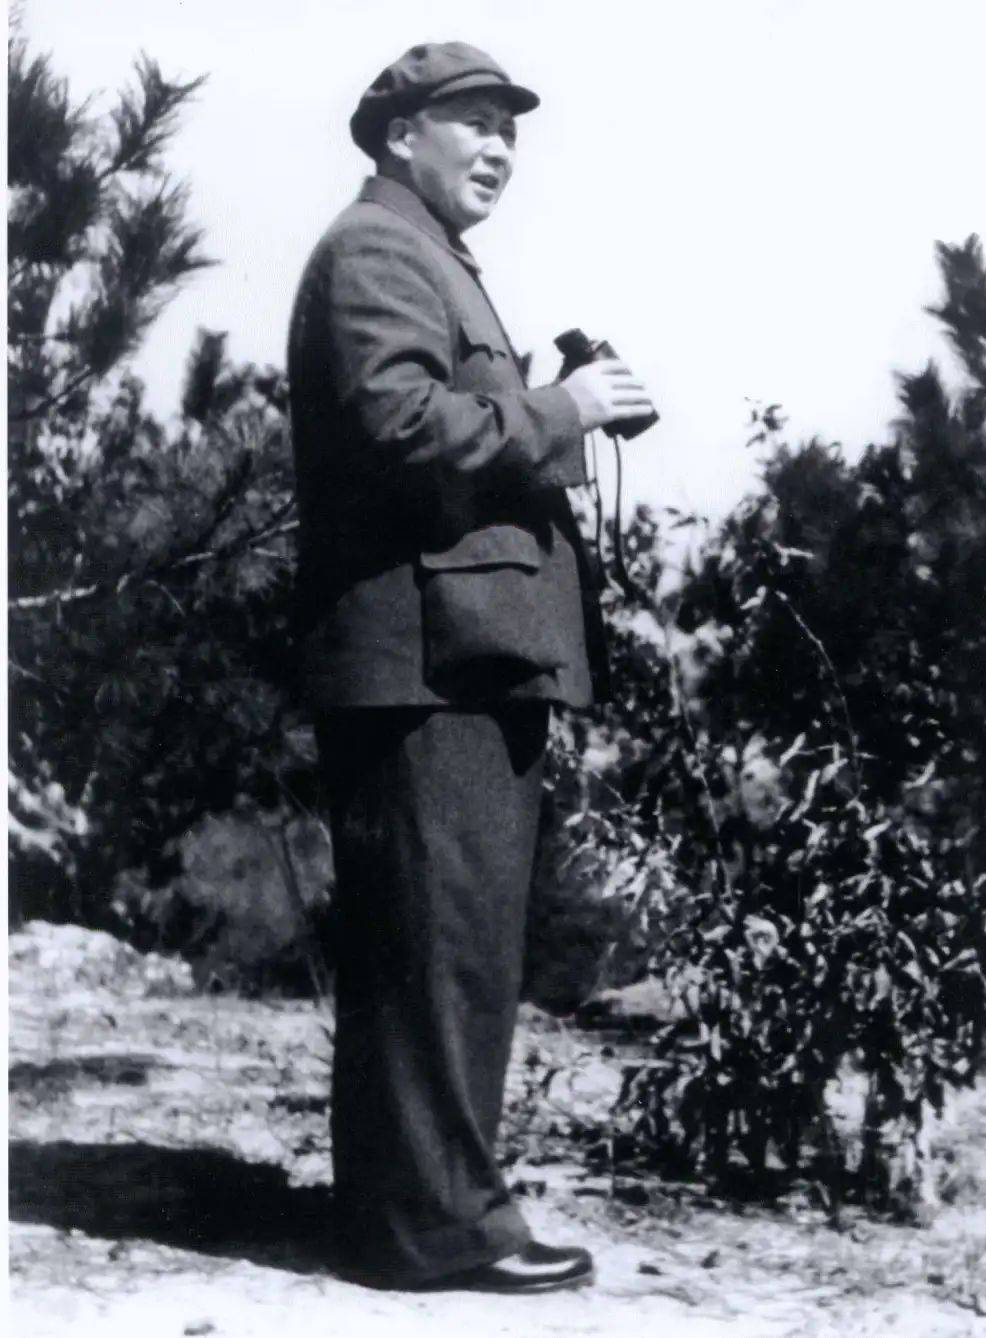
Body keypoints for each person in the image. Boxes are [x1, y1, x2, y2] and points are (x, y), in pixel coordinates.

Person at [286, 40, 654, 1294]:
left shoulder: (423, 254)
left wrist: (551, 408)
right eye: (475, 122)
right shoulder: (379, 249)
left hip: (457, 660)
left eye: (510, 129)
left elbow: (430, 427)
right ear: (401, 136)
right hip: (426, 665)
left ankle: (412, 1218)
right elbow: (398, 427)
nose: (499, 147)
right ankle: (436, 1230)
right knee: (438, 951)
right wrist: (563, 410)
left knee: (449, 946)